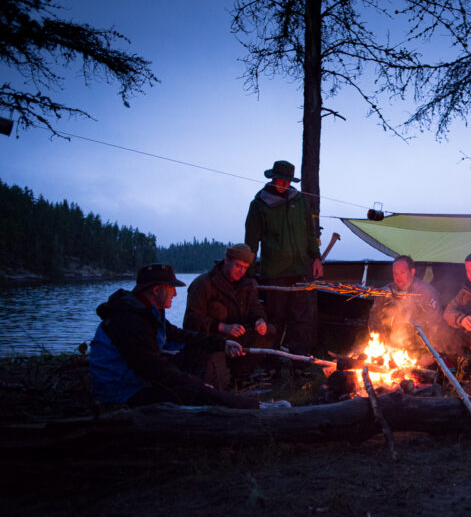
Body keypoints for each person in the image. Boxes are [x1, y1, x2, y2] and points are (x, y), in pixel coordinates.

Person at [89, 263, 259, 409]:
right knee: (191, 392)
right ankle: (256, 409)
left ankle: (224, 396)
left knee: (198, 354)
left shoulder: (148, 312)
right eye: (171, 288)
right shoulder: (130, 320)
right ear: (156, 290)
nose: (175, 294)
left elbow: (179, 336)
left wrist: (222, 343)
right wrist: (196, 385)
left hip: (139, 380)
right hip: (122, 392)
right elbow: (154, 369)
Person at [245, 159, 322, 371]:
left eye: (288, 180)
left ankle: (299, 362)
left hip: (301, 270)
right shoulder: (259, 205)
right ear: (272, 178)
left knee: (301, 318)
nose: (284, 184)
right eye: (280, 179)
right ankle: (272, 362)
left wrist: (316, 258)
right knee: (275, 318)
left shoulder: (299, 201)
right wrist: (249, 274)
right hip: (274, 272)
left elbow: (309, 232)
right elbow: (251, 242)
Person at [183, 243, 277, 386]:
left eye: (245, 268)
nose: (241, 271)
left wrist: (259, 320)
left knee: (268, 331)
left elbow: (256, 308)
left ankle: (241, 377)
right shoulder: (203, 284)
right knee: (217, 383)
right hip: (211, 342)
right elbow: (191, 320)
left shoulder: (248, 284)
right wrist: (222, 327)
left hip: (237, 338)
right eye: (238, 266)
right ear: (227, 260)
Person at [368, 255, 457, 354]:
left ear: (412, 272)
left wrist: (430, 355)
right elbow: (374, 318)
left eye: (402, 273)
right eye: (395, 273)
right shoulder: (385, 292)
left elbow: (436, 326)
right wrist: (378, 337)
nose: (398, 277)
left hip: (419, 350)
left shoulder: (427, 293)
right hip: (391, 349)